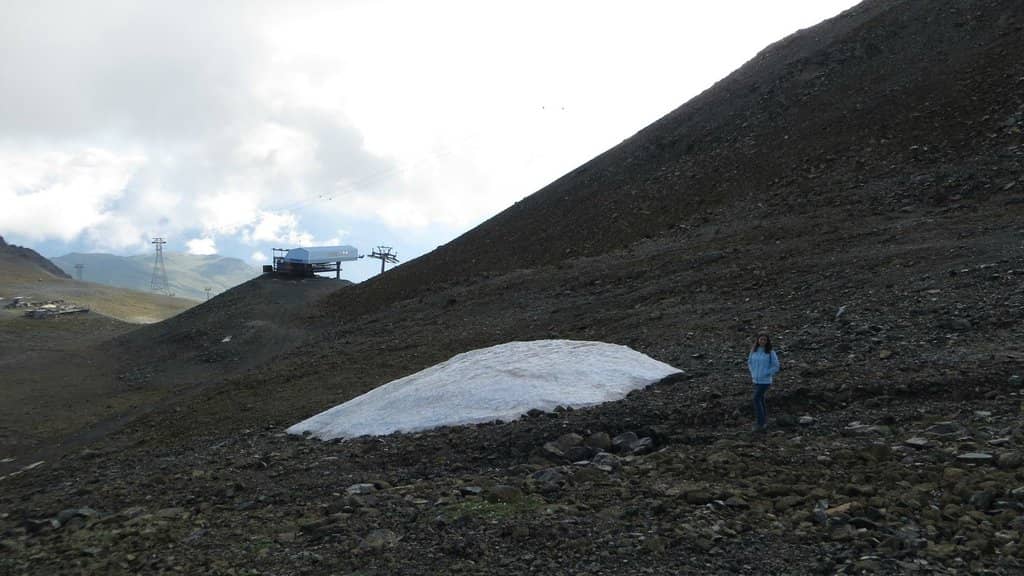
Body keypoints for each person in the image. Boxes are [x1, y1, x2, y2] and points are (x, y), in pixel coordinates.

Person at [748, 333, 780, 432]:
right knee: (760, 399)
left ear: (767, 341)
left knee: (756, 398)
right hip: (756, 380)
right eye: (761, 339)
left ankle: (760, 423)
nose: (762, 341)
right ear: (758, 340)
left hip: (765, 381)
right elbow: (749, 362)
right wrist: (753, 373)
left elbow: (776, 366)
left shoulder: (770, 352)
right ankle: (764, 421)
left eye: (764, 340)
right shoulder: (754, 351)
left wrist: (766, 373)